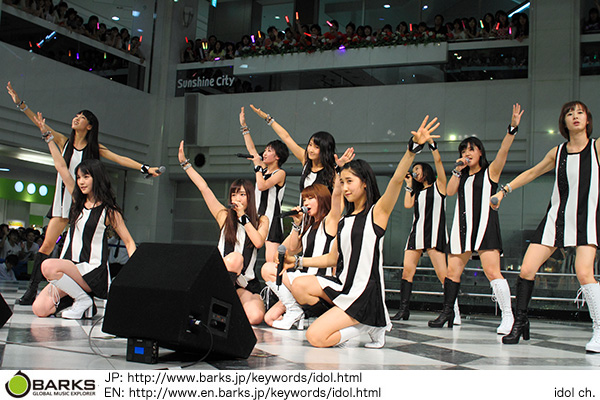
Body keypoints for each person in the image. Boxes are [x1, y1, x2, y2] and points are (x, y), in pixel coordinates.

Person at [287, 116, 441, 348]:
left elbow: (396, 181)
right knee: (299, 285)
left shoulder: (377, 213)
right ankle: (357, 320)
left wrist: (412, 150)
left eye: (350, 181)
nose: (345, 187)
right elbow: (332, 258)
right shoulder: (344, 220)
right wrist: (298, 261)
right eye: (342, 182)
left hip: (364, 293)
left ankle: (366, 323)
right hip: (343, 285)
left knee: (315, 337)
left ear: (365, 182)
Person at [6, 82, 162, 306]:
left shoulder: (95, 148)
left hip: (84, 202)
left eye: (82, 117)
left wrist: (145, 168)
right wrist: (20, 104)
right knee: (47, 245)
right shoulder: (64, 141)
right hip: (63, 199)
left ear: (90, 126)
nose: (76, 118)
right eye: (76, 116)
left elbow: (120, 159)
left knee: (81, 246)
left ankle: (83, 289)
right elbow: (40, 125)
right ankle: (32, 290)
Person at [492, 101, 600, 352]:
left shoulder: (596, 147)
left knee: (584, 272)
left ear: (587, 119)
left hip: (586, 219)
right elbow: (532, 173)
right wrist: (504, 191)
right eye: (570, 113)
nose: (575, 116)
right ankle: (520, 323)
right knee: (526, 270)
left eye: (580, 112)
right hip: (556, 218)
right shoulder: (558, 152)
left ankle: (598, 329)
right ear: (564, 122)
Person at [428, 104, 523, 333]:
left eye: (471, 149)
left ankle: (508, 316)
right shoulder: (461, 175)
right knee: (452, 273)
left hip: (485, 225)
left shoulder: (490, 172)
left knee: (492, 272)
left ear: (480, 152)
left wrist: (512, 129)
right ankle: (448, 312)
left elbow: (503, 151)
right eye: (463, 151)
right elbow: (449, 191)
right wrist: (457, 170)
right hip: (462, 228)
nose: (467, 153)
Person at [32, 114, 136, 319]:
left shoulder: (109, 210)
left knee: (47, 265)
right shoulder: (77, 202)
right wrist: (47, 136)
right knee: (40, 309)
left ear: (97, 178)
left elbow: (129, 242)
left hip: (92, 272)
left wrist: (135, 271)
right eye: (79, 177)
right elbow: (61, 167)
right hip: (69, 270)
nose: (80, 181)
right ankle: (84, 302)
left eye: (86, 177)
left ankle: (82, 299)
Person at [179, 141, 268, 325]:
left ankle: (226, 310)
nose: (237, 198)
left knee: (255, 316)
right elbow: (204, 189)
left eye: (242, 194)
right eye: (234, 194)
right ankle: (213, 302)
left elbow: (259, 242)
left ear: (250, 197)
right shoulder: (224, 216)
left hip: (245, 283)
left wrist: (243, 218)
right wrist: (186, 165)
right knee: (235, 258)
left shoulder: (261, 220)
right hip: (220, 277)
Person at [392, 135, 461, 324]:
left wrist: (433, 146)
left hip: (434, 233)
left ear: (426, 171)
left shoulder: (439, 186)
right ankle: (403, 309)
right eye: (413, 169)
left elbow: (438, 163)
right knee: (407, 271)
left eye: (417, 169)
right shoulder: (418, 191)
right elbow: (407, 205)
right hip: (416, 233)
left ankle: (453, 310)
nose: (415, 172)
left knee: (443, 275)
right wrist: (408, 185)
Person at [262, 180, 343, 330]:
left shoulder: (329, 221)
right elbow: (292, 248)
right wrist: (297, 224)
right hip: (301, 279)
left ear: (322, 199)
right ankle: (295, 310)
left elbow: (337, 199)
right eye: (304, 199)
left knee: (270, 270)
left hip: (318, 280)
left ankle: (300, 311)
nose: (306, 203)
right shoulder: (308, 225)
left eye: (311, 198)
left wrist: (339, 175)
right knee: (269, 317)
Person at [249, 104, 354, 194]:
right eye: (310, 145)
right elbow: (286, 137)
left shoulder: (331, 172)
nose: (311, 150)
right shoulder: (306, 161)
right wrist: (268, 119)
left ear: (325, 151)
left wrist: (341, 168)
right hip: (302, 212)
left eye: (316, 147)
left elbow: (341, 197)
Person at [239, 107, 288, 263]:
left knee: (271, 260)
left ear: (277, 156)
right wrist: (244, 127)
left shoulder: (280, 173)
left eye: (269, 151)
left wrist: (257, 166)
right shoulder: (262, 169)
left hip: (272, 219)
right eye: (265, 150)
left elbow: (262, 186)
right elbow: (252, 149)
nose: (264, 153)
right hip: (256, 216)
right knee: (246, 253)